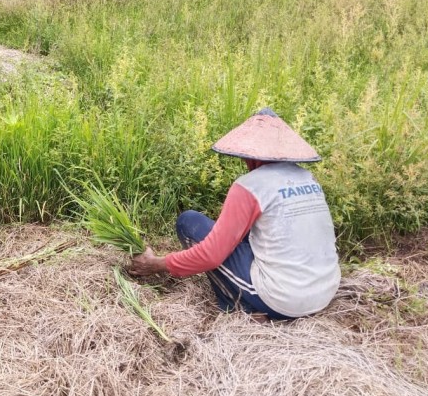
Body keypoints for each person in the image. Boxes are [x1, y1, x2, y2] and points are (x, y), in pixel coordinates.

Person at [129, 108, 340, 320]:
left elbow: (211, 255)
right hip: (325, 292)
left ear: (250, 155)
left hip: (285, 300)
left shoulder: (251, 185)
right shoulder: (308, 178)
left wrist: (156, 264)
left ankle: (238, 308)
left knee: (189, 222)